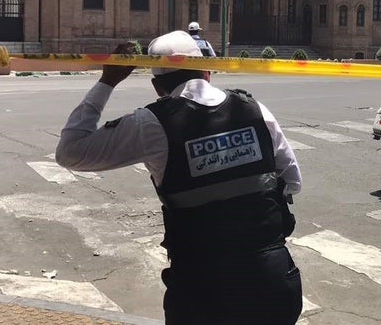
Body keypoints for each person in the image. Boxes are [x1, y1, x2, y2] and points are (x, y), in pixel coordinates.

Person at [55, 30, 303, 325]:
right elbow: (292, 181)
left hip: (203, 292)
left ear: (157, 86)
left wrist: (108, 80)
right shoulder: (255, 110)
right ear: (207, 71)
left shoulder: (151, 124)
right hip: (272, 284)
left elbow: (70, 151)